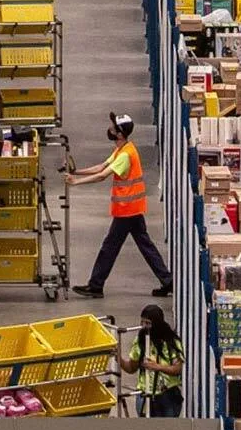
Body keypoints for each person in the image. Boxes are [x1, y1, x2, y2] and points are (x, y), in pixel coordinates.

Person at [66, 112, 172, 298]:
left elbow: (102, 176)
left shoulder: (125, 155)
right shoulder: (123, 149)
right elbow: (101, 167)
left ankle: (96, 285)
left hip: (127, 211)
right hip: (132, 209)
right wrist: (77, 172)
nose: (110, 130)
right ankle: (167, 280)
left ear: (120, 134)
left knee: (109, 247)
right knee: (144, 245)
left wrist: (75, 182)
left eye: (113, 128)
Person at [128, 304, 184, 417]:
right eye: (142, 322)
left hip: (167, 396)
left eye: (148, 323)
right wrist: (117, 357)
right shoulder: (140, 341)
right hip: (144, 394)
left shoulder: (171, 342)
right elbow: (131, 368)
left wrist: (157, 367)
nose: (144, 326)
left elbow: (178, 369)